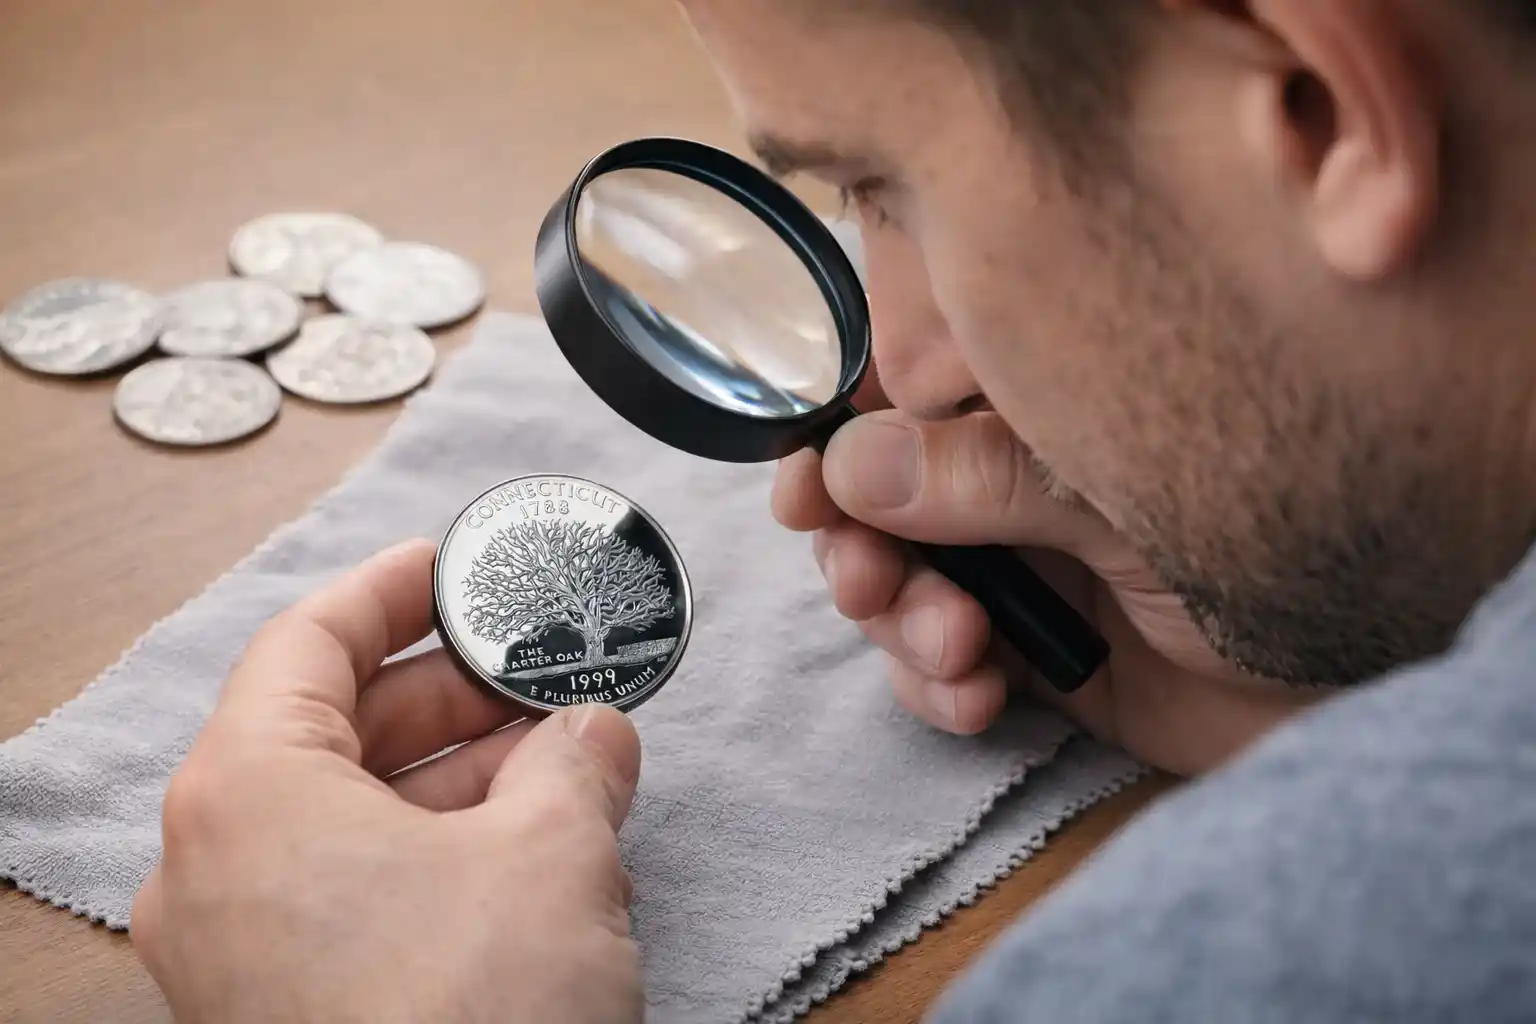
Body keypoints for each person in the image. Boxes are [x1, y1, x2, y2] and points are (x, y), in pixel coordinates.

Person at [129, 0, 1536, 1019]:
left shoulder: (1229, 964)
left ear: (1320, 107)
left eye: (884, 188)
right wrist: (1344, 689)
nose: (905, 371)